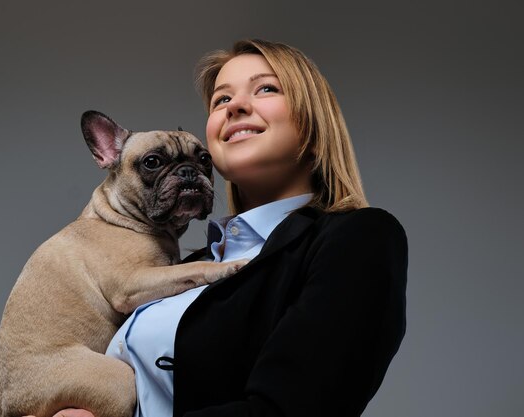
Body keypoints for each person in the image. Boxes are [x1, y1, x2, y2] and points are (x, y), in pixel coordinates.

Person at [38, 38, 408, 417]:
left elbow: (290, 409)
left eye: (266, 88)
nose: (237, 107)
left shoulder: (358, 238)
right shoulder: (184, 265)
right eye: (221, 100)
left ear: (314, 129)